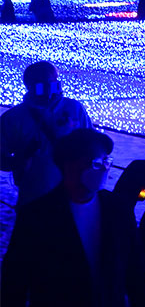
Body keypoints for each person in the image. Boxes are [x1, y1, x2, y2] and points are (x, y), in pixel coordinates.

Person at [2, 128, 145, 307]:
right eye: (96, 163)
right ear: (69, 165)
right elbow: (15, 283)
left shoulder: (118, 210)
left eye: (107, 162)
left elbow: (136, 274)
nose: (104, 169)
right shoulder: (37, 216)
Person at [2, 61, 94, 205]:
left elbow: (92, 144)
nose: (53, 89)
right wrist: (21, 159)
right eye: (45, 84)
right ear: (30, 86)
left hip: (71, 195)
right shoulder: (13, 118)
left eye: (55, 82)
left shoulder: (74, 108)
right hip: (33, 197)